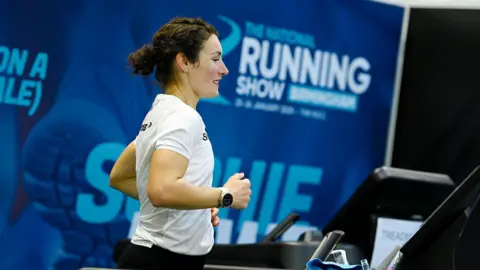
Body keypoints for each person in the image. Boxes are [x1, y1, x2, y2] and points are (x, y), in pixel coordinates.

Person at [109, 17, 252, 270]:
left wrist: (192, 207)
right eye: (215, 58)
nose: (224, 69)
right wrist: (224, 196)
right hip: (160, 261)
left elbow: (119, 177)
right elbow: (162, 190)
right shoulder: (184, 118)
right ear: (184, 61)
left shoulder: (161, 112)